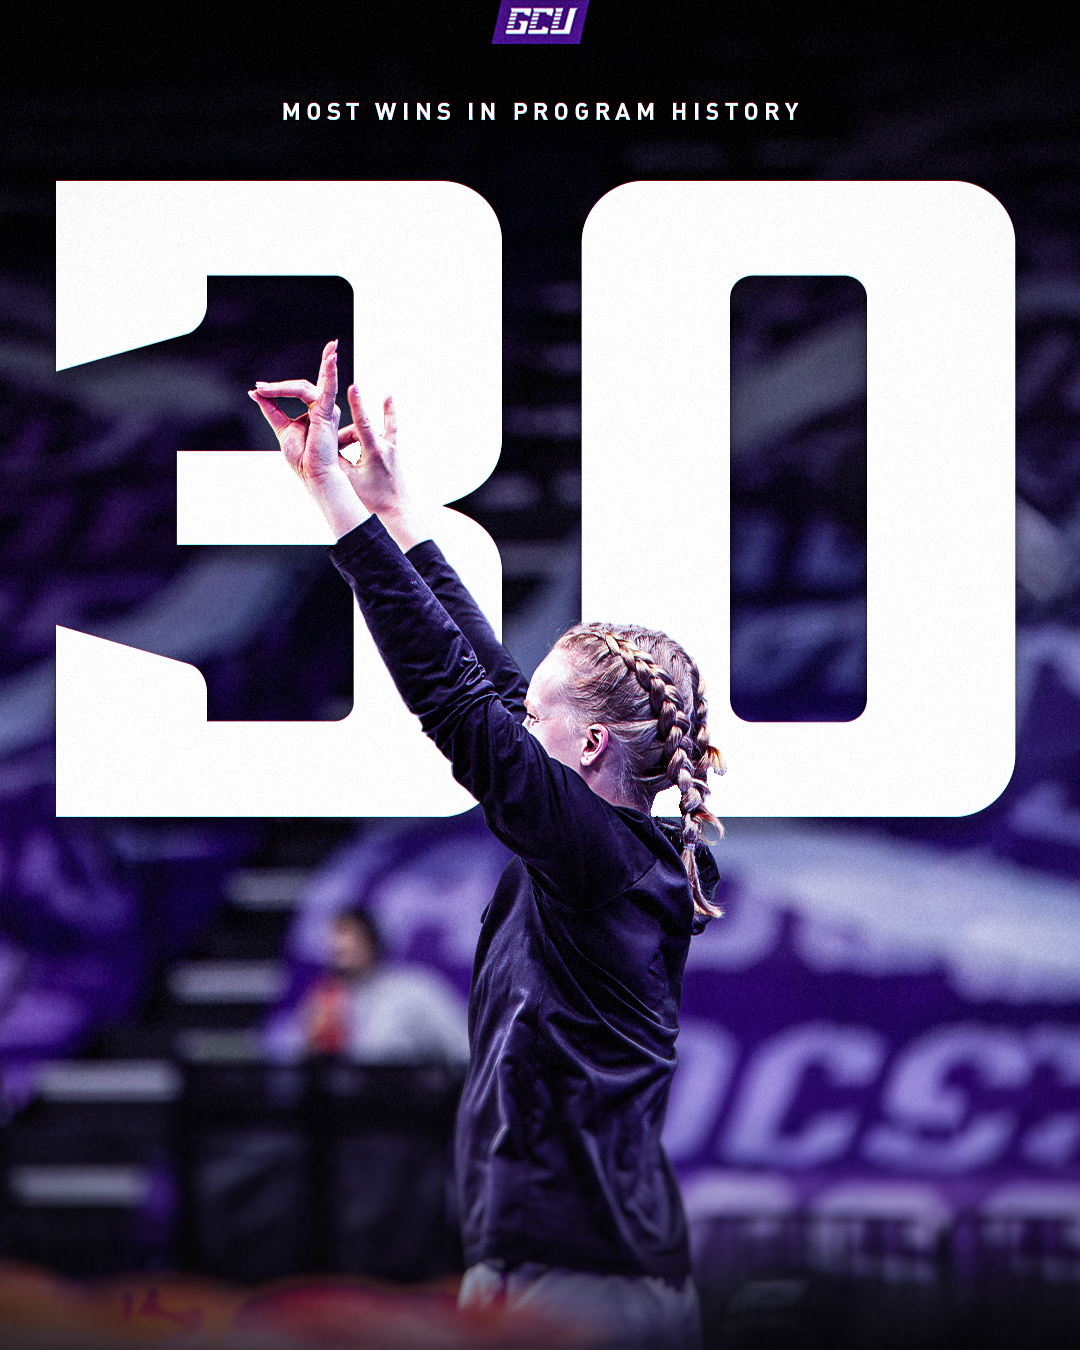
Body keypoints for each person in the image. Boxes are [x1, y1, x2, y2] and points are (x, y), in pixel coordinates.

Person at [250, 341, 725, 1349]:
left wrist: (333, 501)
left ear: (590, 748)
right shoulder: (609, 848)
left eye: (539, 722)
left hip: (577, 1278)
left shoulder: (597, 859)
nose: (519, 725)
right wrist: (395, 510)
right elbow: (498, 688)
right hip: (580, 1261)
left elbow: (457, 700)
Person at [269, 906, 470, 1066]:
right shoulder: (324, 998)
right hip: (344, 1101)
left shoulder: (414, 988)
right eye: (337, 945)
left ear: (372, 942)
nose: (342, 947)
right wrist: (310, 1044)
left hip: (407, 1098)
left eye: (352, 938)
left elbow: (463, 1047)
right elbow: (290, 1058)